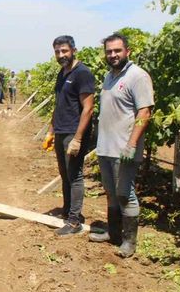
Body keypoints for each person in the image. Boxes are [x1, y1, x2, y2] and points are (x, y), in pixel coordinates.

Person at [89, 32, 154, 257]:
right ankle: (113, 233)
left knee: (125, 193)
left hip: (124, 149)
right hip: (105, 147)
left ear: (128, 51)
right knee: (110, 192)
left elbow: (145, 111)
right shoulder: (109, 76)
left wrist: (132, 144)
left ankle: (129, 242)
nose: (113, 54)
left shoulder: (137, 76)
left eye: (117, 50)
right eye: (109, 51)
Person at [43, 35, 95, 236]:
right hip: (61, 131)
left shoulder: (82, 73)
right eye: (57, 51)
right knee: (65, 175)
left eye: (64, 51)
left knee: (75, 175)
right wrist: (50, 131)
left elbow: (88, 109)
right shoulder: (62, 73)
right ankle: (67, 213)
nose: (61, 55)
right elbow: (58, 105)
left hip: (74, 132)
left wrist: (78, 138)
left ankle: (74, 221)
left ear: (74, 50)